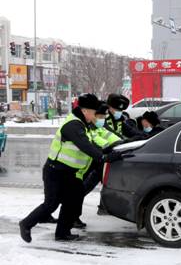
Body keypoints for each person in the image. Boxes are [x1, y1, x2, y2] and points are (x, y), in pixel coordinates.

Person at [19, 93, 123, 243]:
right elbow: (85, 145)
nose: (95, 117)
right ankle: (26, 224)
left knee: (73, 199)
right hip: (55, 171)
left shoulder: (83, 124)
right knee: (51, 204)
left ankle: (62, 233)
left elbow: (94, 142)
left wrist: (110, 149)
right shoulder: (73, 125)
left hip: (70, 173)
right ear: (85, 110)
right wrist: (103, 158)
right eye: (94, 113)